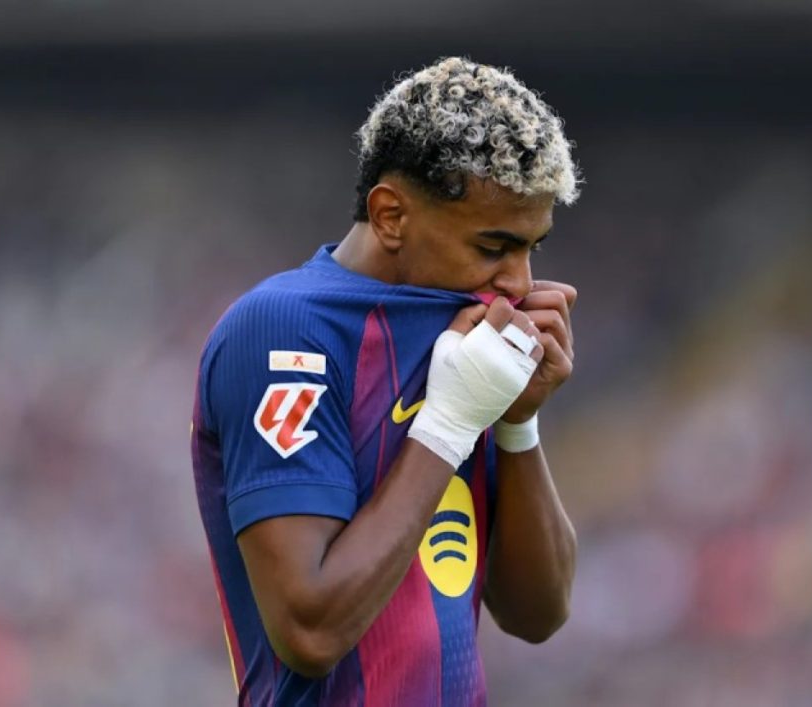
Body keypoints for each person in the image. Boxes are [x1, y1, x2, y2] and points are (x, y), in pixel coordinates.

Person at [191, 56, 580, 706]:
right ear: (391, 215)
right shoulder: (283, 332)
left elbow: (537, 614)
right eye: (493, 248)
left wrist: (519, 422)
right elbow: (310, 630)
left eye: (531, 248)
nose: (519, 282)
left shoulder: (463, 332)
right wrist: (448, 424)